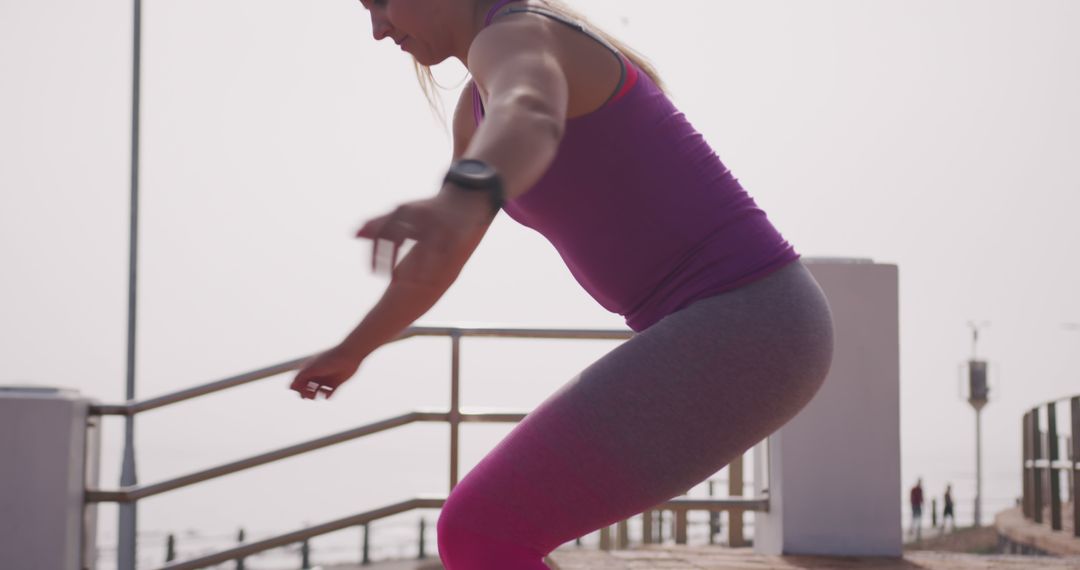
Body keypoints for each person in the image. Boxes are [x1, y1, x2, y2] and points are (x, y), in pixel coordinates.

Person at [290, 1, 835, 568]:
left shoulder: (516, 34)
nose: (377, 29)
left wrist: (461, 194)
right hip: (748, 323)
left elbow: (530, 114)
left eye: (380, 0)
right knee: (488, 533)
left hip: (746, 319)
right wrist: (353, 349)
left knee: (481, 531)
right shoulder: (475, 106)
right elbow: (440, 255)